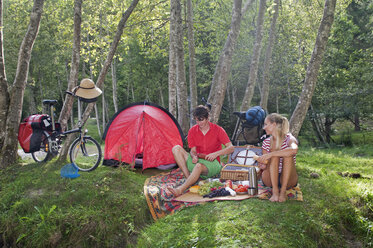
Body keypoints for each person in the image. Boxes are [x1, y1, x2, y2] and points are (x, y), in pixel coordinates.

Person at [168, 105, 234, 197]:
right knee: (176, 148)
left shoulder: (218, 130)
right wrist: (194, 156)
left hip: (212, 163)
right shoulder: (192, 131)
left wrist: (216, 154)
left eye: (201, 119)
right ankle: (189, 179)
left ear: (208, 118)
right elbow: (193, 150)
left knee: (198, 166)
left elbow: (231, 148)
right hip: (197, 160)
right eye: (196, 120)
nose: (199, 123)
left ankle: (180, 189)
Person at [255, 113, 298, 202]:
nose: (264, 127)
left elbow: (294, 150)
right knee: (274, 156)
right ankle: (275, 192)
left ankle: (282, 192)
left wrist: (271, 154)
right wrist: (262, 164)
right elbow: (265, 165)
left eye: (266, 124)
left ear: (274, 125)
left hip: (288, 178)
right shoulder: (266, 142)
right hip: (270, 178)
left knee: (286, 154)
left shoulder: (289, 138)